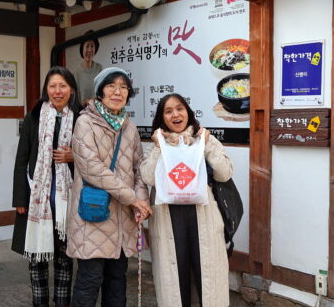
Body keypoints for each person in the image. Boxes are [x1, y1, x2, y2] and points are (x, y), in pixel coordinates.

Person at [66, 67, 152, 307]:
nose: (118, 91)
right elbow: (92, 168)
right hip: (93, 215)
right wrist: (131, 198)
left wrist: (142, 199)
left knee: (117, 279)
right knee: (89, 280)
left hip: (123, 219)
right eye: (111, 85)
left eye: (123, 87)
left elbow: (139, 168)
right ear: (100, 91)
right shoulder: (85, 123)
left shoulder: (130, 127)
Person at [139, 93, 234, 307]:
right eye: (168, 111)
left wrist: (207, 144)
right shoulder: (157, 144)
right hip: (169, 220)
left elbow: (224, 173)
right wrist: (157, 147)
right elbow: (146, 177)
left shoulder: (204, 138)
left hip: (204, 218)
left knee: (208, 280)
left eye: (179, 108)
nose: (175, 114)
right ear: (162, 118)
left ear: (188, 112)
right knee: (175, 280)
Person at [11, 66, 83, 307]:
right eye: (52, 86)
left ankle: (62, 303)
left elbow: (92, 154)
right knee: (37, 258)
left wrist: (75, 156)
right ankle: (39, 303)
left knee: (64, 259)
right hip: (37, 200)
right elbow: (22, 158)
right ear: (46, 89)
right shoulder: (34, 116)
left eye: (63, 85)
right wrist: (20, 199)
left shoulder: (81, 117)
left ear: (71, 89)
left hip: (67, 201)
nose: (57, 91)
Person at [73, 30, 103, 102]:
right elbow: (74, 99)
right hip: (81, 112)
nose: (89, 50)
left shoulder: (99, 68)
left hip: (97, 112)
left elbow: (102, 94)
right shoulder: (76, 72)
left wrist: (91, 101)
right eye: (87, 46)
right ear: (82, 48)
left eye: (92, 46)